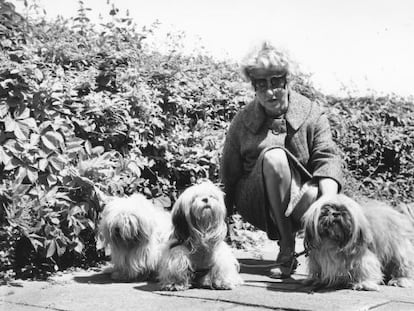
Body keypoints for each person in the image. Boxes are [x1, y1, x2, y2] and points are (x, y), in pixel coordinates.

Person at [220, 42, 343, 278]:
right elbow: (229, 176)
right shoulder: (241, 121)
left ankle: (321, 253)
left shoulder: (312, 113)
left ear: (287, 80)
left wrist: (327, 202)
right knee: (274, 156)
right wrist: (218, 229)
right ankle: (286, 245)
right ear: (253, 86)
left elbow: (327, 157)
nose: (270, 92)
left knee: (316, 191)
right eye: (261, 84)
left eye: (276, 82)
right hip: (256, 203)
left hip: (304, 201)